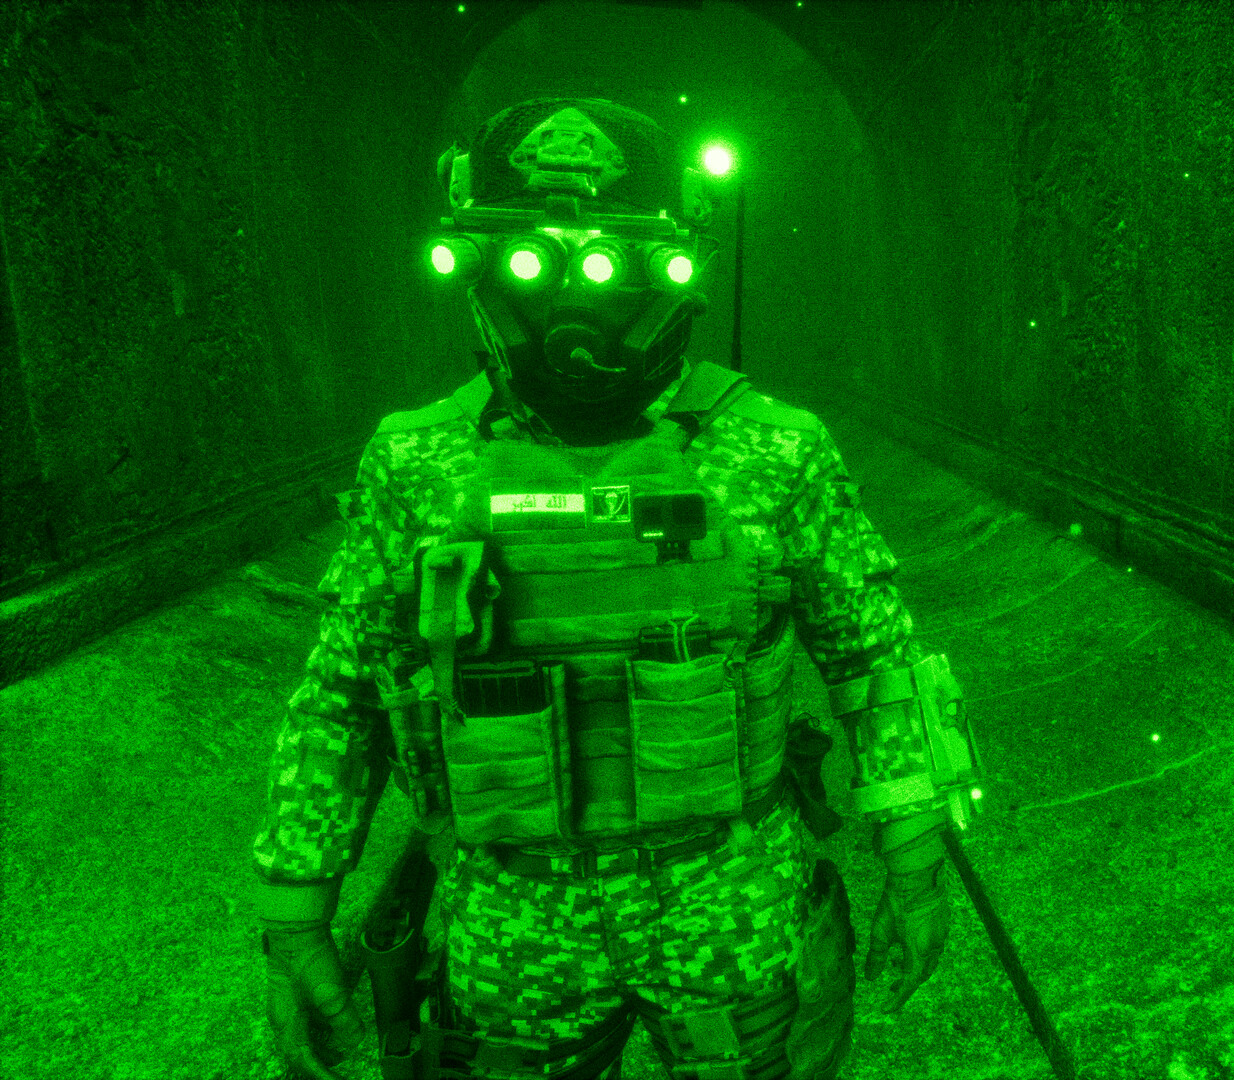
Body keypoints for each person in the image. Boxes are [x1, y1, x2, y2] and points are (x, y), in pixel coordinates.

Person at [251, 97, 981, 1080]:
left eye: (609, 260)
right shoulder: (414, 463)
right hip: (511, 917)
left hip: (730, 900)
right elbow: (345, 693)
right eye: (529, 257)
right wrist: (295, 911)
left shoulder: (773, 450)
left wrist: (917, 854)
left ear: (677, 263)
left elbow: (874, 658)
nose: (570, 295)